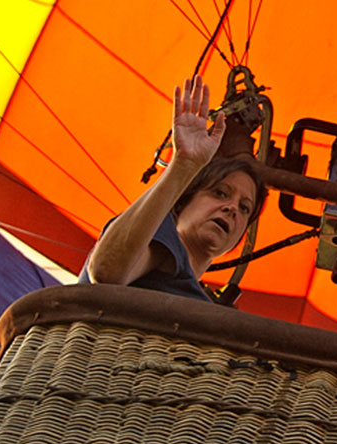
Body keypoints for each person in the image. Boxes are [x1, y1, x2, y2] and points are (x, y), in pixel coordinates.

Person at [79, 75, 267, 301]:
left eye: (244, 208)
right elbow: (106, 271)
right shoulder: (160, 236)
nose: (232, 208)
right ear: (183, 201)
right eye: (220, 193)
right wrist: (183, 165)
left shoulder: (203, 305)